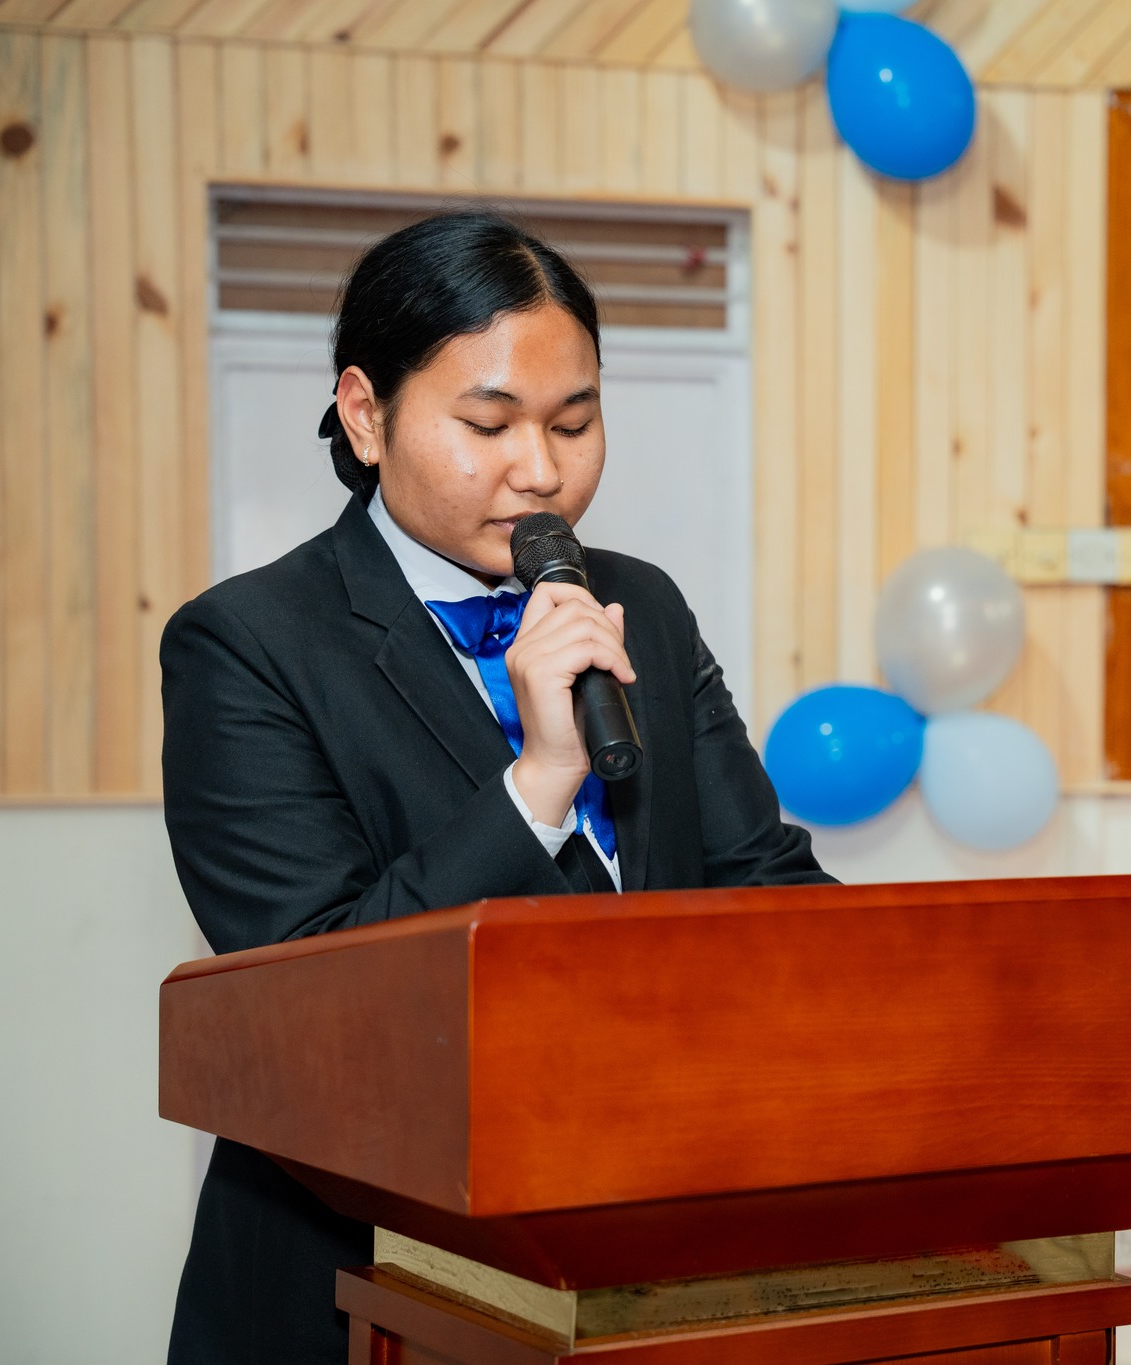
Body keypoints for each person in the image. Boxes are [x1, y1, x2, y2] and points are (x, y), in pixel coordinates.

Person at [161, 211, 833, 1364]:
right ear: (365, 414)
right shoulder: (248, 644)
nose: (543, 471)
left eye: (574, 422)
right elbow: (313, 999)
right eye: (488, 424)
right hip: (362, 1269)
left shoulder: (640, 603)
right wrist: (539, 781)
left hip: (639, 1247)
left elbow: (761, 883)